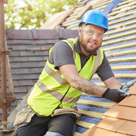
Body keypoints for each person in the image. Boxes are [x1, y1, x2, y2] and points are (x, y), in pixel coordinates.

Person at [14, 9, 133, 136]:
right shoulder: (63, 47)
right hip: (36, 112)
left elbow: (112, 83)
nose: (95, 38)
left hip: (63, 113)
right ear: (80, 31)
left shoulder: (100, 57)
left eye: (100, 34)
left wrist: (123, 90)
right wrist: (108, 94)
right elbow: (74, 80)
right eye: (90, 32)